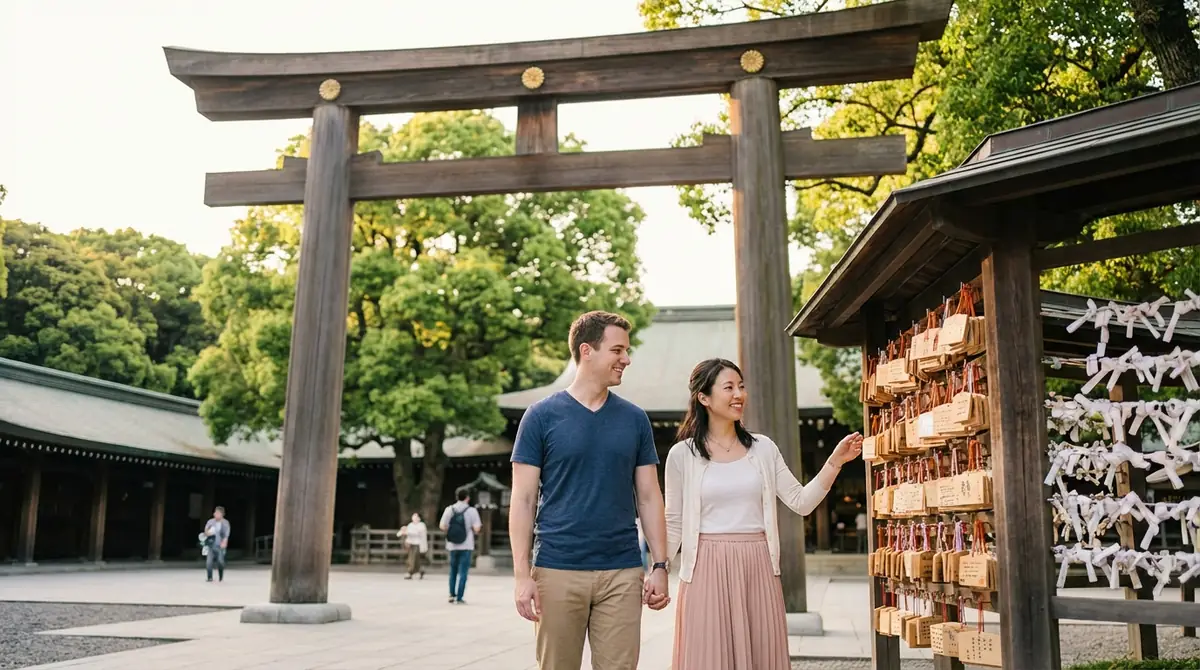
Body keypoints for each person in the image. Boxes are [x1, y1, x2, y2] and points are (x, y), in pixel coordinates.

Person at [665, 358, 863, 670]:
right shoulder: (682, 455)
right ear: (704, 398)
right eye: (729, 387)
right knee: (707, 656)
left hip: (757, 563)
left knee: (760, 655)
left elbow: (800, 501)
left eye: (741, 386)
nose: (738, 394)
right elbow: (673, 522)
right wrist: (658, 568)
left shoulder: (763, 449)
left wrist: (834, 463)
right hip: (704, 566)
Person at [510, 310, 669, 670]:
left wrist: (659, 564)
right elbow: (522, 500)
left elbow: (649, 496)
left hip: (623, 571)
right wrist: (522, 576)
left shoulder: (635, 419)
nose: (626, 359)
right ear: (587, 350)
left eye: (626, 351)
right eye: (617, 350)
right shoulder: (540, 417)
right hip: (557, 568)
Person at [440, 491, 482, 604]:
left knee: (452, 570)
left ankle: (451, 594)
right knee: (463, 572)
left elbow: (442, 526)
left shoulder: (449, 509)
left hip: (452, 545)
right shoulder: (472, 511)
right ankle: (459, 597)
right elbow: (477, 528)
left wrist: (452, 531)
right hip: (466, 545)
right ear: (467, 498)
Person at [203, 507, 231, 583]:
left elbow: (226, 534)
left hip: (220, 545)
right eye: (215, 513)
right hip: (211, 544)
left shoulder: (225, 523)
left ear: (222, 514)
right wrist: (208, 532)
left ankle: (220, 577)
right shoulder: (210, 522)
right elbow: (205, 531)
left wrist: (225, 542)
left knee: (220, 562)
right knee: (209, 562)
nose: (216, 514)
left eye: (218, 513)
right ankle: (209, 577)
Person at [397, 512, 428, 580]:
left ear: (419, 518)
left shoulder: (421, 525)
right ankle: (420, 571)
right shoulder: (410, 525)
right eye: (413, 516)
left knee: (413, 558)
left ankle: (410, 572)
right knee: (413, 558)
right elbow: (405, 533)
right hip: (411, 544)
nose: (414, 517)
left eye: (416, 516)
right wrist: (403, 532)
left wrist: (407, 532)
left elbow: (416, 533)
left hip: (418, 544)